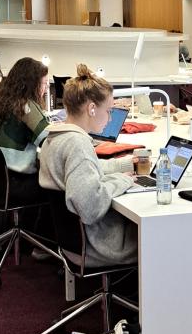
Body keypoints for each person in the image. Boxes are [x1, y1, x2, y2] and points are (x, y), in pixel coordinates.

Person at [39, 64, 138, 267]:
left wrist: (123, 165)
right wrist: (122, 181)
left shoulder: (57, 137)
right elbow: (90, 207)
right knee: (161, 233)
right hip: (97, 245)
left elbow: (85, 171)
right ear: (92, 108)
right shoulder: (78, 144)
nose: (110, 118)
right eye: (109, 110)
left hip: (71, 242)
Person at [0, 57, 50, 203]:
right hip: (12, 183)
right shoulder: (25, 106)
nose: (46, 89)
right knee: (57, 189)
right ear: (33, 84)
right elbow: (49, 140)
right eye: (44, 84)